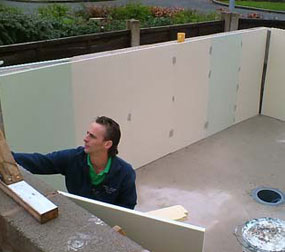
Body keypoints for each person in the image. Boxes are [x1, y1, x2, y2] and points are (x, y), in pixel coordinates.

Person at [13, 116, 137, 209]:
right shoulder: (72, 158)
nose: (85, 139)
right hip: (79, 218)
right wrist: (7, 157)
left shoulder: (125, 173)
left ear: (107, 144)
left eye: (92, 136)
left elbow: (128, 208)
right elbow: (39, 162)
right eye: (87, 133)